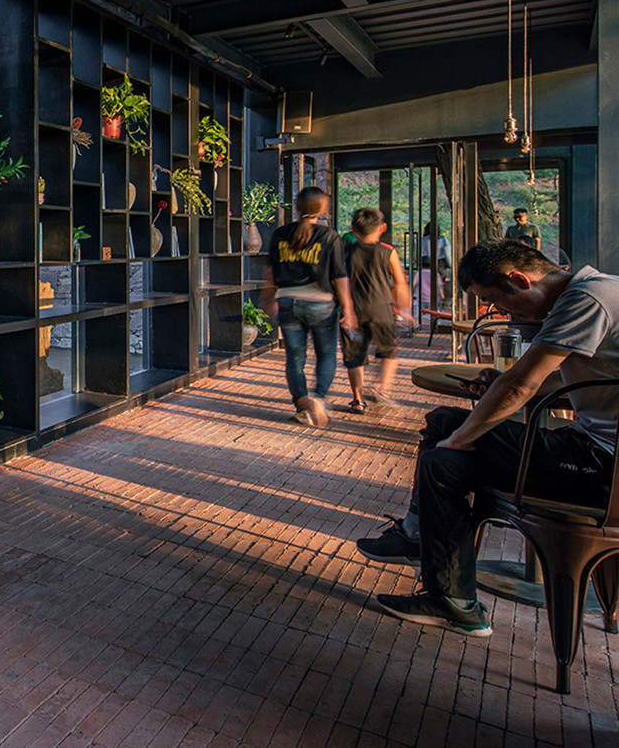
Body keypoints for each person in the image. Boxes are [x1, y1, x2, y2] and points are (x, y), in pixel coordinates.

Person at [354, 239, 618, 637]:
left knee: (442, 461)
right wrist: (491, 394)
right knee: (444, 421)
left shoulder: (585, 300)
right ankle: (415, 535)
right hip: (595, 451)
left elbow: (521, 383)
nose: (504, 314)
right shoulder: (599, 287)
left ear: (519, 279)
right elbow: (558, 376)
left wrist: (462, 439)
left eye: (499, 303)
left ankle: (453, 601)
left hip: (606, 469)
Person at [259, 187, 358, 426]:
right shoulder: (329, 235)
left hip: (287, 301)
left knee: (294, 357)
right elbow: (339, 276)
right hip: (321, 303)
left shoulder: (280, 234)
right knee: (326, 355)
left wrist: (267, 300)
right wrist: (348, 308)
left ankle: (302, 405)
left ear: (296, 206)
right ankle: (319, 398)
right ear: (322, 209)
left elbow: (271, 272)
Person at [339, 208, 414, 414]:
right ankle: (381, 388)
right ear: (383, 228)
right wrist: (405, 310)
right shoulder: (388, 252)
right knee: (388, 352)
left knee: (355, 356)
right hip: (382, 311)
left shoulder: (344, 253)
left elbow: (337, 281)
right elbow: (400, 283)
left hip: (353, 313)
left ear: (353, 229)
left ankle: (358, 399)